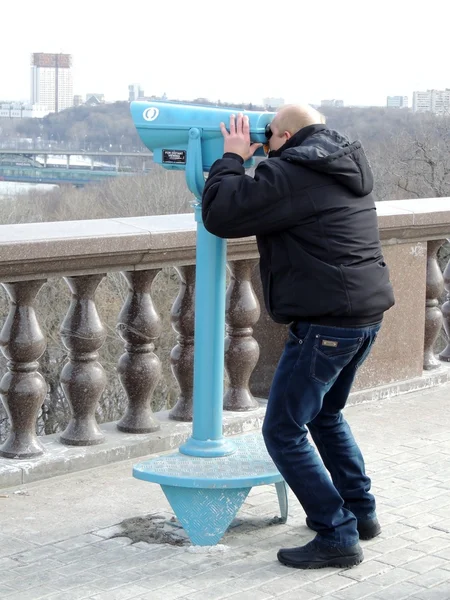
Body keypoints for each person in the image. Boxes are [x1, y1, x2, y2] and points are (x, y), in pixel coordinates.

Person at [201, 105, 395, 570]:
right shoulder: (342, 163)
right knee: (326, 416)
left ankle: (336, 533)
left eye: (269, 141)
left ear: (286, 135)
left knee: (283, 430)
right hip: (363, 316)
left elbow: (222, 214)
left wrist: (231, 157)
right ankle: (361, 513)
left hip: (327, 323)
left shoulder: (295, 169)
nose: (266, 149)